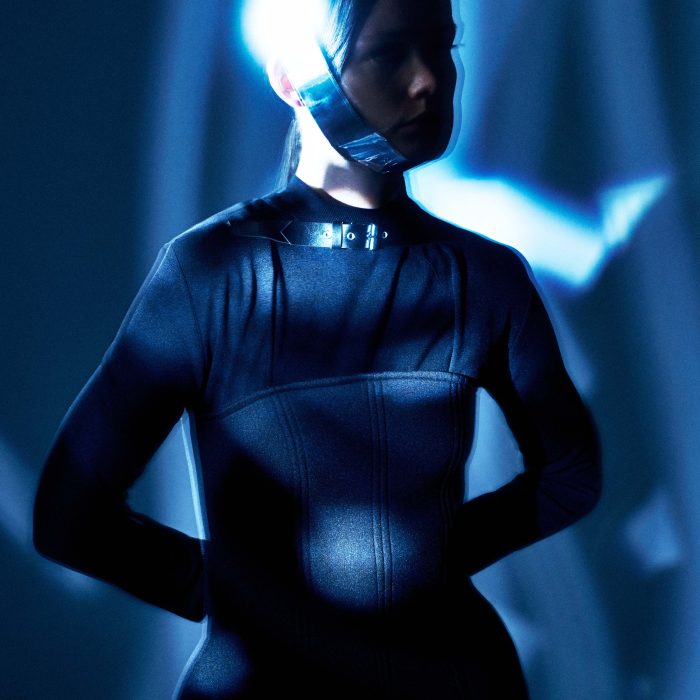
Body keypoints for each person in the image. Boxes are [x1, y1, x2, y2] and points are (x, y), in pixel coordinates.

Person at [33, 0, 602, 697]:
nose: (429, 78)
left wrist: (424, 563)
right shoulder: (210, 273)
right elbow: (70, 515)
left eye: (442, 46)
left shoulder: (483, 276)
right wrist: (247, 596)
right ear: (292, 78)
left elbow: (571, 474)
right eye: (388, 53)